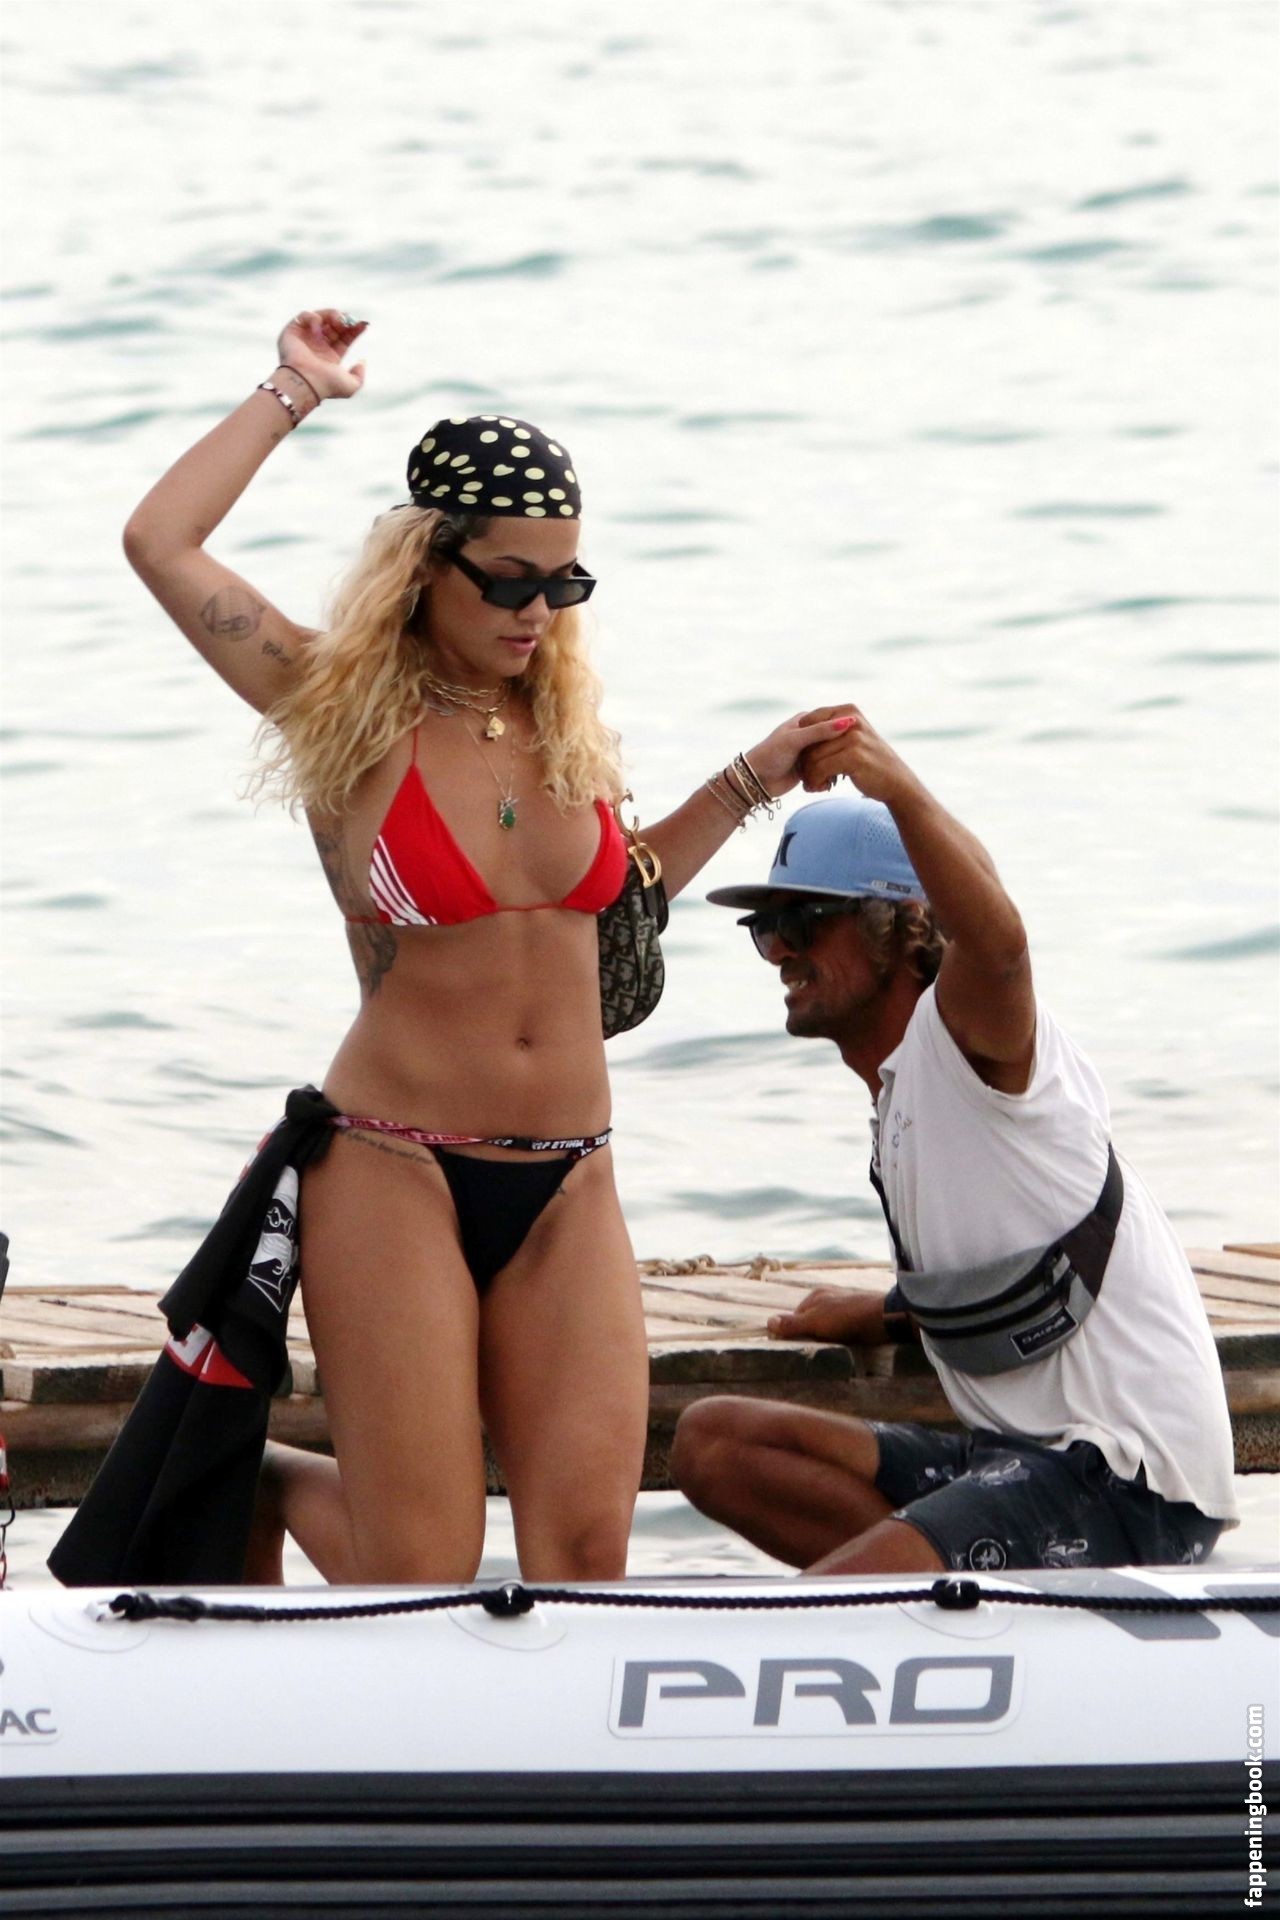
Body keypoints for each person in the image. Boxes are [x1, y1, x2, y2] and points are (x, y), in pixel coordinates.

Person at [51, 308, 856, 1591]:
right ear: (425, 562)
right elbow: (160, 540)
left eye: (565, 583)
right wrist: (294, 388)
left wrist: (752, 776)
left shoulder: (562, 721)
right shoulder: (336, 706)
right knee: (417, 1568)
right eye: (511, 580)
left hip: (569, 1176)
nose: (540, 611)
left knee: (585, 1560)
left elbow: (617, 899)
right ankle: (242, 1474)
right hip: (395, 1166)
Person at [671, 706, 1239, 1575]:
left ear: (895, 929)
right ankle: (924, 1604)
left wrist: (896, 788)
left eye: (803, 921)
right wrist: (883, 1311)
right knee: (712, 1443)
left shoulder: (976, 1042)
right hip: (1006, 1456)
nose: (779, 951)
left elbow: (1000, 944)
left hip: (1126, 1478)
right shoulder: (899, 1094)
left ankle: (886, 1601)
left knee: (821, 1607)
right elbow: (1004, 1259)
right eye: (765, 928)